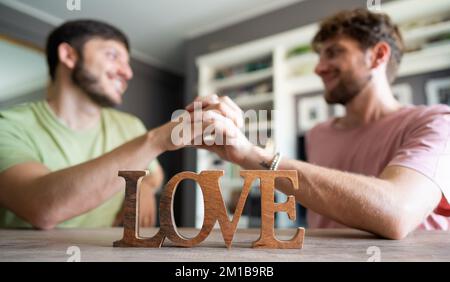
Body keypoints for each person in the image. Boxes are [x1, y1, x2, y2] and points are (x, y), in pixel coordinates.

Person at [187, 9, 450, 239]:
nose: (319, 68)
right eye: (320, 56)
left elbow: (397, 212)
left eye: (334, 52)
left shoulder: (436, 122)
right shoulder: (318, 134)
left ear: (378, 55)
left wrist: (249, 154)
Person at [0, 20, 225, 230]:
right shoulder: (8, 125)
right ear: (69, 55)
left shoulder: (130, 126)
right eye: (112, 55)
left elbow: (155, 174)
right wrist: (158, 139)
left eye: (127, 63)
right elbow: (42, 207)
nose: (127, 73)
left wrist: (143, 187)